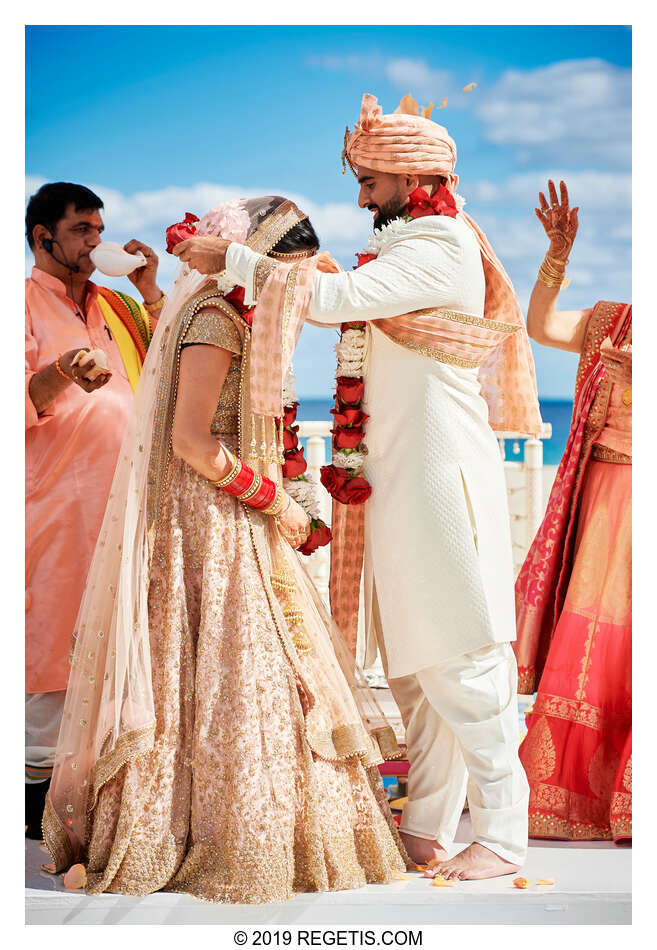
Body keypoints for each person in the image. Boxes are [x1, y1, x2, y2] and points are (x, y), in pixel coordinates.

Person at [173, 94, 544, 881]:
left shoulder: (440, 242)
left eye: (370, 181)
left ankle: (507, 834)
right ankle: (428, 828)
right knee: (415, 663)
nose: (359, 197)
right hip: (401, 478)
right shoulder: (409, 241)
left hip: (439, 477)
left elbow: (330, 302)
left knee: (461, 658)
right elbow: (342, 292)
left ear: (414, 177)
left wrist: (235, 261)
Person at [43, 197, 407, 903]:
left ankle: (272, 826)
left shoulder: (243, 319)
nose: (292, 297)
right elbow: (189, 441)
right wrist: (274, 501)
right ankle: (220, 833)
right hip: (209, 520)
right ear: (257, 265)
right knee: (232, 676)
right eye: (288, 278)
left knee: (257, 678)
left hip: (234, 508)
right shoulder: (215, 320)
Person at [25, 182, 164, 837]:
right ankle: (35, 813)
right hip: (56, 507)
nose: (93, 241)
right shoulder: (21, 304)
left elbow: (174, 364)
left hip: (129, 503)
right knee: (54, 654)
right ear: (42, 237)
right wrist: (62, 370)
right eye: (81, 230)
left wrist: (153, 289)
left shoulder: (116, 304)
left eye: (97, 229)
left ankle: (107, 795)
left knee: (125, 641)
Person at [514, 180, 631, 842]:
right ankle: (575, 797)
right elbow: (540, 328)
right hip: (599, 499)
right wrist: (554, 259)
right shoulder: (608, 319)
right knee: (591, 642)